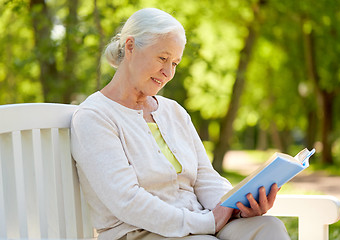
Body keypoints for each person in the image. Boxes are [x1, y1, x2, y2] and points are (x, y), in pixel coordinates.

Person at [70, 8, 290, 240]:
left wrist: (234, 206)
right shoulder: (94, 116)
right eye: (162, 58)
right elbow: (127, 201)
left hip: (198, 223)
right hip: (139, 232)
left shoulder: (173, 111)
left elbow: (205, 178)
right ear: (131, 46)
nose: (168, 72)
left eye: (175, 63)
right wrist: (207, 222)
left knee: (269, 228)